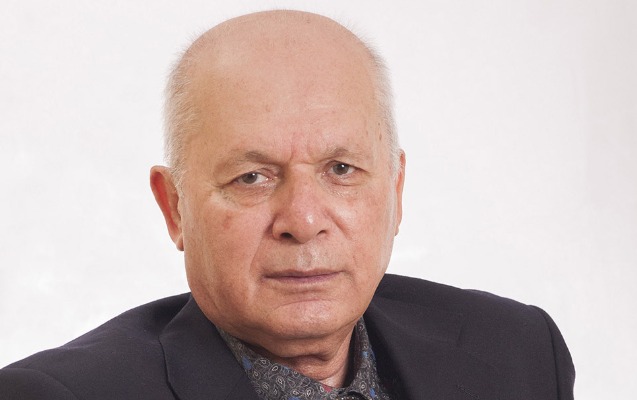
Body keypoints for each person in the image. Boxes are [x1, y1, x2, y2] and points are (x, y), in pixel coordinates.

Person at [0, 10, 574, 400]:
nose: (303, 221)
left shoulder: (519, 354)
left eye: (341, 169)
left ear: (396, 191)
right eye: (252, 177)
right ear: (175, 208)